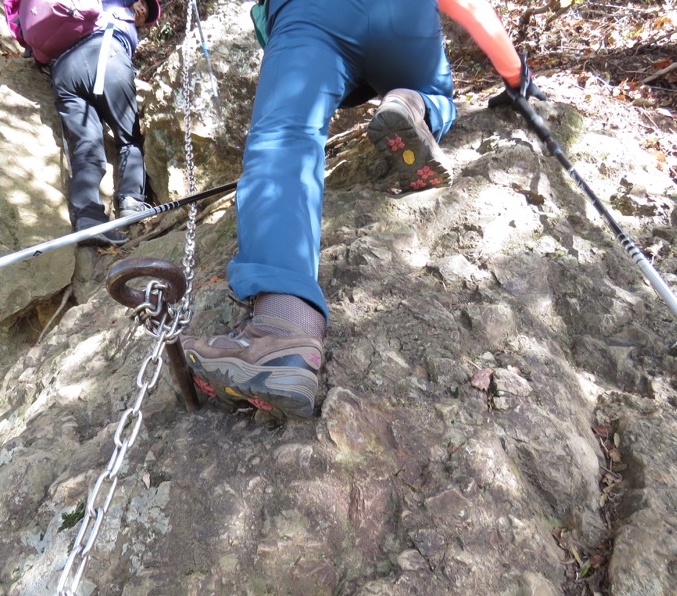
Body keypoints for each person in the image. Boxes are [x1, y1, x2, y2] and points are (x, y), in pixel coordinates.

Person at [183, 0, 546, 419]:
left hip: (312, 17)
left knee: (286, 137)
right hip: (405, 19)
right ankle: (416, 106)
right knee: (437, 92)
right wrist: (516, 74)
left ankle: (283, 325)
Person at [50, 0, 160, 246]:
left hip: (65, 69)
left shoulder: (90, 15)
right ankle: (131, 200)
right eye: (143, 3)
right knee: (129, 137)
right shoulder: (113, 5)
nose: (143, 10)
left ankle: (89, 220)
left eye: (147, 14)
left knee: (85, 148)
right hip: (106, 57)